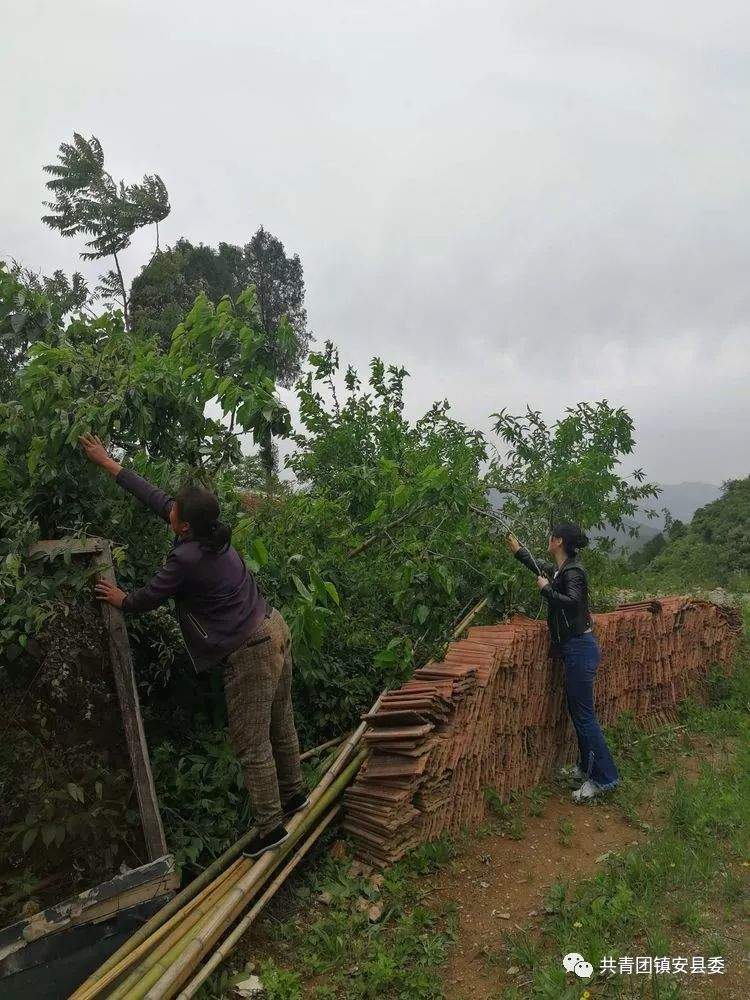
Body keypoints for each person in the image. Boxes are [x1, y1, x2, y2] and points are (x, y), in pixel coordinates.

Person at [79, 433, 308, 856]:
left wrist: (121, 599)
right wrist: (108, 463)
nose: (170, 509)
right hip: (274, 626)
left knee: (250, 741)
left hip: (250, 649)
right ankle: (296, 796)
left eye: (176, 511)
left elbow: (151, 596)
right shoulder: (210, 533)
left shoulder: (186, 558)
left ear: (183, 525)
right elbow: (156, 497)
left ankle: (272, 829)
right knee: (281, 723)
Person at [507, 522, 619, 802]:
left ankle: (604, 778)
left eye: (551, 536)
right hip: (574, 648)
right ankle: (586, 767)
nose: (548, 539)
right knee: (578, 711)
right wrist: (520, 552)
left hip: (580, 649)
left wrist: (545, 590)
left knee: (584, 716)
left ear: (558, 541)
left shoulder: (574, 572)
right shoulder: (562, 569)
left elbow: (572, 601)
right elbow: (542, 568)